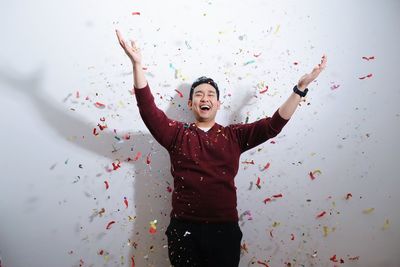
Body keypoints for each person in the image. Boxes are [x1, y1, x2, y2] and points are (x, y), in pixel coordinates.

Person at [116, 29, 327, 267]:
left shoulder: (233, 136)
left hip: (224, 231)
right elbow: (148, 110)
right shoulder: (176, 134)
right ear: (190, 103)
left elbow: (272, 126)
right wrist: (137, 64)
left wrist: (299, 90)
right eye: (198, 95)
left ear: (218, 103)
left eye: (210, 95)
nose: (204, 98)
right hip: (184, 230)